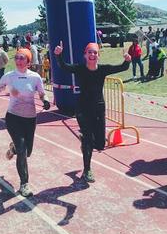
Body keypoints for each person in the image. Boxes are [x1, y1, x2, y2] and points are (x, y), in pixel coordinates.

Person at [54, 41, 131, 182]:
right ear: (85, 55)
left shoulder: (103, 69)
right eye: (90, 52)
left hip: (99, 107)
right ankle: (87, 170)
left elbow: (123, 67)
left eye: (95, 52)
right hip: (83, 108)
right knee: (89, 140)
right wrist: (59, 55)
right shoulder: (80, 69)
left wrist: (127, 60)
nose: (92, 54)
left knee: (100, 144)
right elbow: (63, 66)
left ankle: (85, 141)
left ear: (98, 56)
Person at [0, 48, 51, 197]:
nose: (18, 61)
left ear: (28, 62)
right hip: (13, 118)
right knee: (23, 150)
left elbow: (42, 93)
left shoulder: (35, 77)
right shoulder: (9, 77)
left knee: (27, 152)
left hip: (30, 119)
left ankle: (13, 149)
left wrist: (45, 100)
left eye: (22, 58)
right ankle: (24, 184)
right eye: (16, 58)